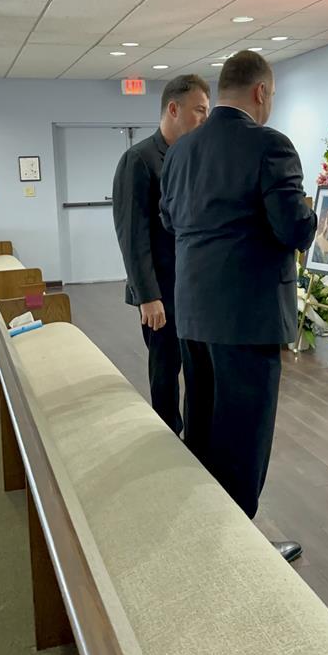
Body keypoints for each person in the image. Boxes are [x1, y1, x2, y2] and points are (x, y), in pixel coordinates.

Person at [160, 51, 316, 562]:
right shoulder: (270, 146)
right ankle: (240, 551)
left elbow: (169, 219)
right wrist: (317, 214)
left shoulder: (180, 151)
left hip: (194, 311)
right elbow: (292, 229)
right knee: (245, 434)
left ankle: (204, 530)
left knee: (202, 421)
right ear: (261, 92)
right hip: (247, 316)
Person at [112, 74, 210, 434]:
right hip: (160, 293)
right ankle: (167, 436)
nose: (204, 118)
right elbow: (132, 236)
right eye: (199, 110)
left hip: (193, 290)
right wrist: (148, 296)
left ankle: (196, 439)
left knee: (198, 370)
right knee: (166, 371)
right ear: (173, 108)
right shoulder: (138, 160)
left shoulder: (191, 158)